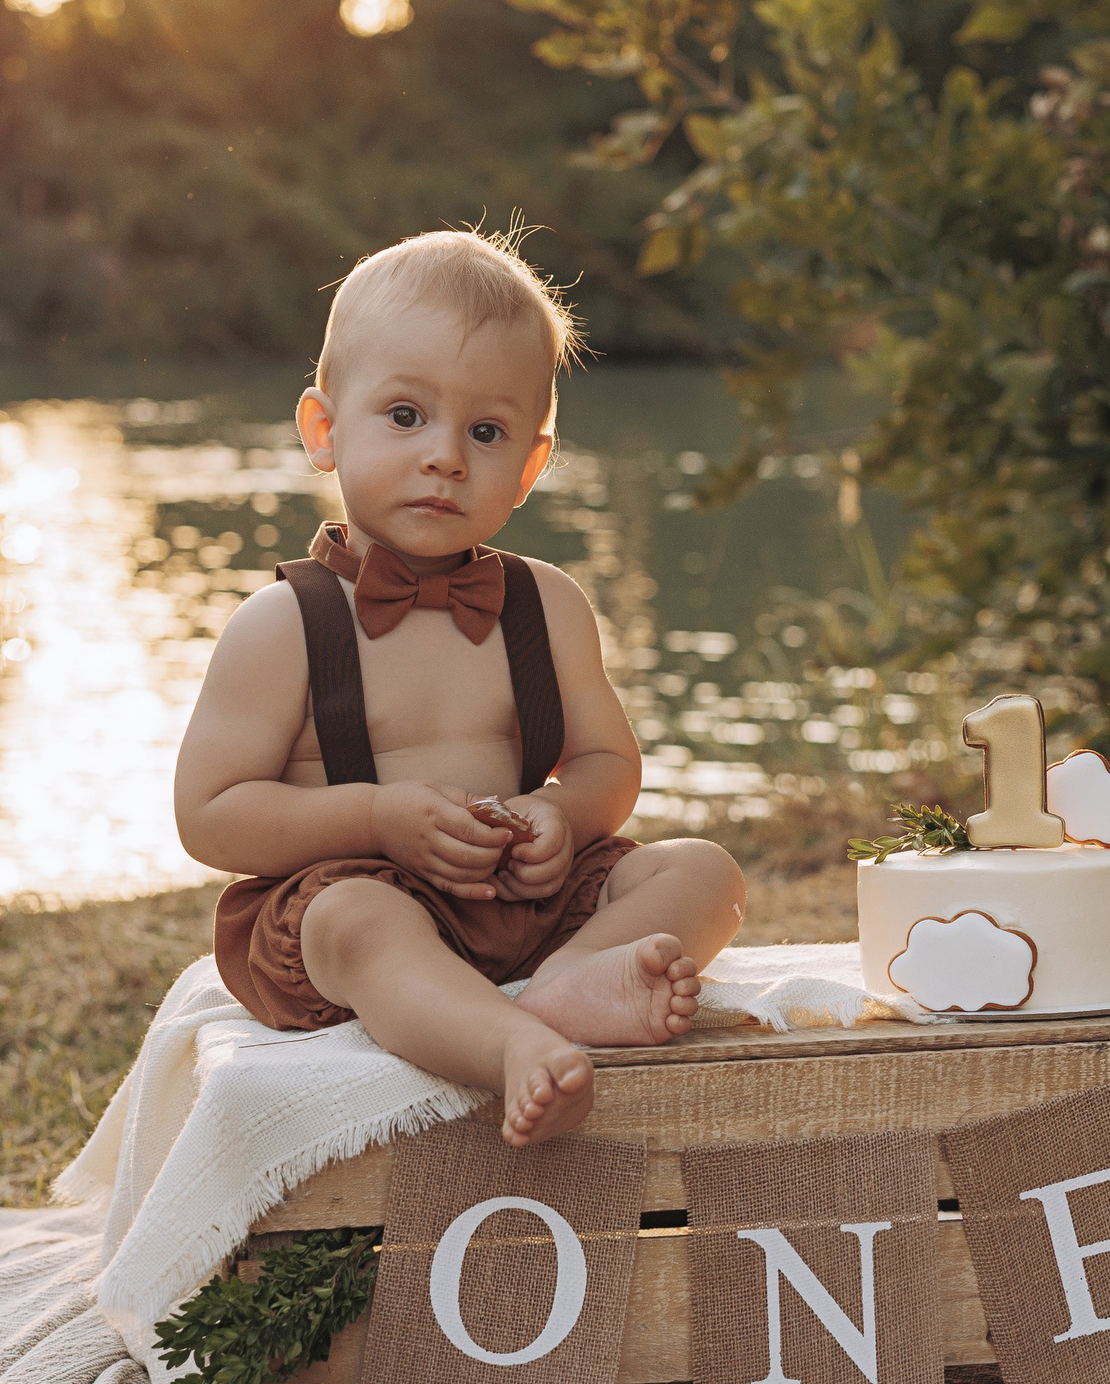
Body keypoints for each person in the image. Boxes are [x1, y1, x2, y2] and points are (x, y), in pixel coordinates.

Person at [174, 229, 746, 1147]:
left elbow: (607, 760)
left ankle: (577, 979)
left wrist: (563, 815)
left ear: (530, 463)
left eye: (485, 432)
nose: (445, 455)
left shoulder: (548, 606)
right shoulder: (283, 626)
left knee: (702, 871)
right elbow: (210, 814)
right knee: (359, 919)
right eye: (405, 416)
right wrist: (375, 818)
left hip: (522, 902)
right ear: (325, 431)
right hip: (352, 897)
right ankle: (507, 1042)